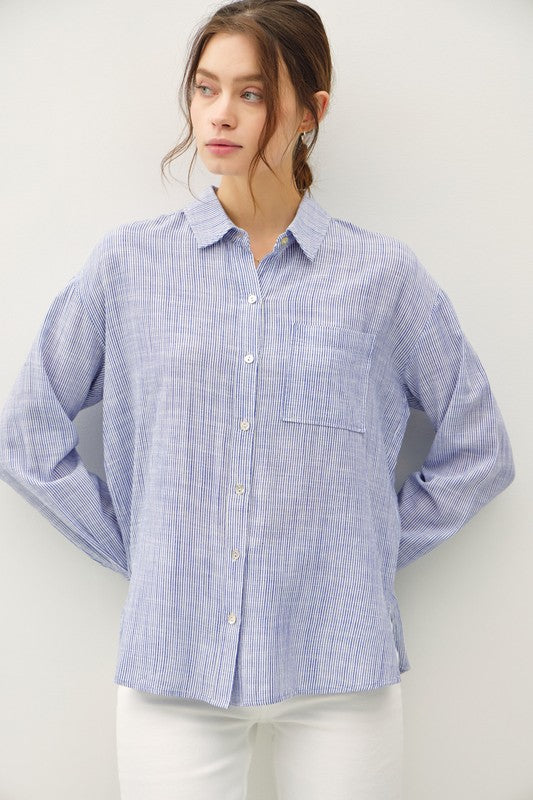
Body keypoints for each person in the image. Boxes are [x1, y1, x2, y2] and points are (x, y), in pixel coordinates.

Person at [0, 0, 515, 798]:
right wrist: (147, 550)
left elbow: (478, 451)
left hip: (341, 669)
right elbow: (27, 435)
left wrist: (363, 551)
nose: (220, 114)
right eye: (206, 88)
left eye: (252, 93)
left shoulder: (382, 279)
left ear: (311, 112)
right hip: (175, 668)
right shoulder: (127, 268)